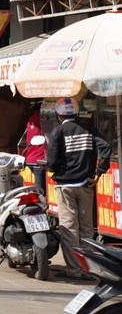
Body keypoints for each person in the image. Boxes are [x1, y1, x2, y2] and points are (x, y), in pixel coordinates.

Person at [47, 97, 111, 280]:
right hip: (86, 185)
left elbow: (51, 162)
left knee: (69, 228)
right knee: (86, 228)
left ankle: (74, 270)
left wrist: (57, 168)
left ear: (58, 115)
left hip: (65, 186)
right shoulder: (89, 129)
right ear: (76, 113)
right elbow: (105, 148)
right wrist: (99, 172)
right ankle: (87, 269)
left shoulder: (58, 131)